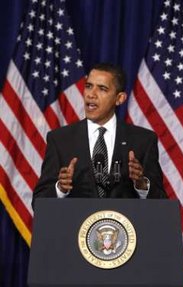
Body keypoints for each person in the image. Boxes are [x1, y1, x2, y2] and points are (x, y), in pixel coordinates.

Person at [32, 62, 167, 205]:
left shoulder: (143, 141)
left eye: (102, 89)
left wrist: (142, 185)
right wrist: (61, 189)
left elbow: (161, 203)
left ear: (119, 98)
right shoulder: (60, 139)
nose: (91, 94)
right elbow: (38, 203)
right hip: (76, 226)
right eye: (89, 86)